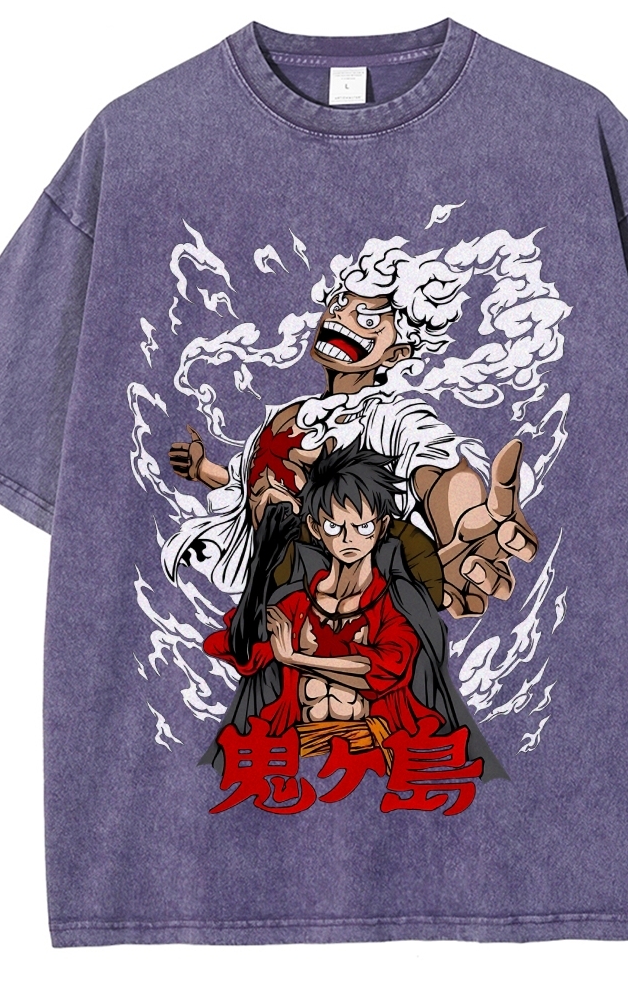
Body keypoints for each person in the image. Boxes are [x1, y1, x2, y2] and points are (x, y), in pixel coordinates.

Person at [165, 237, 539, 622]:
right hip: (269, 609)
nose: (340, 319)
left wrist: (464, 519)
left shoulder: (389, 417)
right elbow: (250, 485)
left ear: (396, 354)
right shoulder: (285, 415)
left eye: (368, 319)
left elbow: (437, 469)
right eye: (339, 304)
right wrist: (202, 470)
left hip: (339, 618)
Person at [199, 441, 505, 778]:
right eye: (335, 527)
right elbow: (241, 653)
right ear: (316, 527)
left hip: (375, 757)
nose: (349, 539)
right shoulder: (295, 602)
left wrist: (296, 659)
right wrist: (263, 560)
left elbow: (386, 668)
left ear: (382, 526)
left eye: (363, 527)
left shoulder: (394, 601)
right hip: (298, 758)